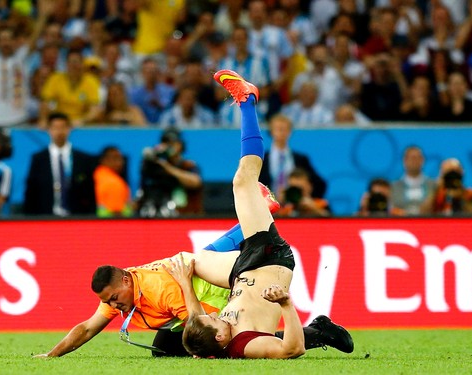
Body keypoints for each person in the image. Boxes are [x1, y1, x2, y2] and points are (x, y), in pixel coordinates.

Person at [170, 69, 348, 359]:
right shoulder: (245, 344)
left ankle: (259, 212)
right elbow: (293, 349)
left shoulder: (216, 335)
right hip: (269, 258)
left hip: (242, 270)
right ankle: (247, 101)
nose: (218, 315)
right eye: (215, 319)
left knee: (190, 260)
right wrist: (286, 304)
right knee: (242, 181)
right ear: (219, 336)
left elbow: (196, 318)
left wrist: (184, 284)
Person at [33, 196, 352, 358]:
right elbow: (88, 327)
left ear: (126, 282)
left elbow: (198, 325)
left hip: (215, 295)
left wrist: (204, 346)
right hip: (200, 276)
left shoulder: (161, 291)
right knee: (171, 345)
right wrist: (52, 355)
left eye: (113, 299)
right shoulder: (124, 292)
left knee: (227, 346)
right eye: (108, 302)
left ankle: (317, 333)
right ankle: (260, 209)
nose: (113, 307)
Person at [23, 112, 97, 216]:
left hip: (76, 217)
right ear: (49, 130)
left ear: (69, 129)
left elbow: (90, 192)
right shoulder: (39, 159)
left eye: (63, 127)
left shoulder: (83, 159)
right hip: (46, 217)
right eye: (55, 127)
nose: (60, 131)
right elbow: (31, 192)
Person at [136, 128, 204, 217]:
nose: (169, 146)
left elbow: (196, 182)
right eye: (165, 143)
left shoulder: (188, 165)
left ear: (180, 145)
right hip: (159, 214)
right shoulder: (156, 166)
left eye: (172, 143)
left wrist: (168, 168)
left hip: (186, 216)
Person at [259, 114, 327, 199]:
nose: (281, 132)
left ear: (290, 132)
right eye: (278, 129)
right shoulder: (261, 159)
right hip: (267, 206)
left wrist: (306, 196)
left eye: (285, 129)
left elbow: (319, 184)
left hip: (294, 206)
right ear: (271, 131)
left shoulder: (300, 159)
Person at [390, 146, 436, 216]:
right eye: (412, 158)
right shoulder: (393, 187)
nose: (414, 161)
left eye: (418, 158)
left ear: (422, 160)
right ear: (404, 161)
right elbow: (391, 209)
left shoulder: (434, 186)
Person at [94, 146, 132, 217]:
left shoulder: (96, 175)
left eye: (121, 159)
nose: (120, 162)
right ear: (103, 160)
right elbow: (117, 214)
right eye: (115, 158)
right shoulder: (114, 182)